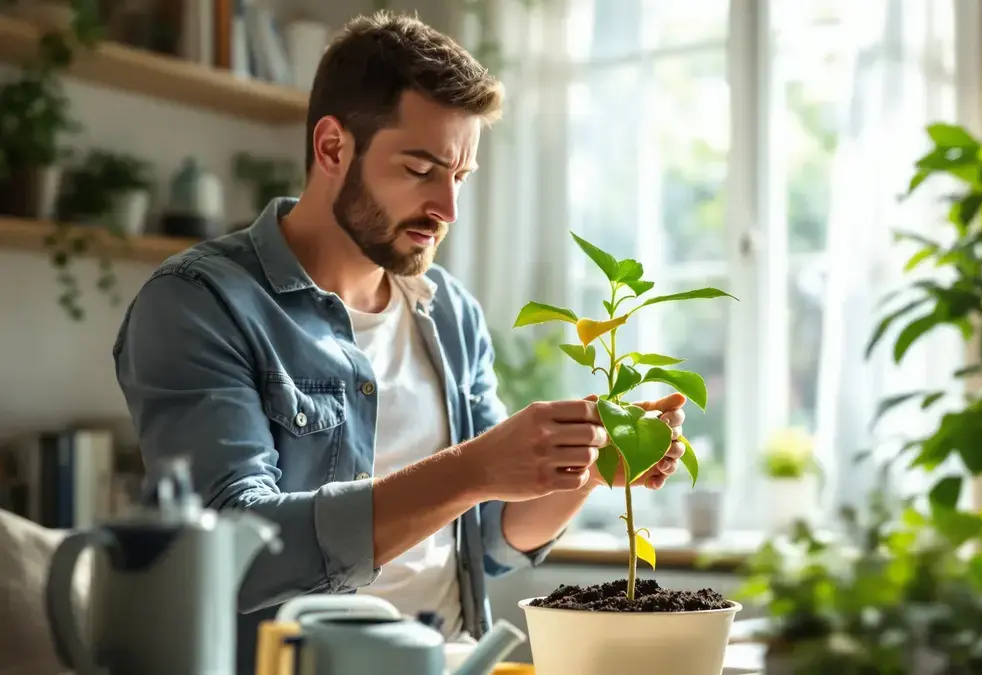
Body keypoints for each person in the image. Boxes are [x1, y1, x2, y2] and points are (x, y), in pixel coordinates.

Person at [112, 9, 690, 674]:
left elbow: (489, 539)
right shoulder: (199, 304)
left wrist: (581, 472)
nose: (447, 206)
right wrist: (474, 466)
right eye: (421, 168)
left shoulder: (449, 314)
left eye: (461, 176)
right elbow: (238, 554)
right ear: (332, 149)